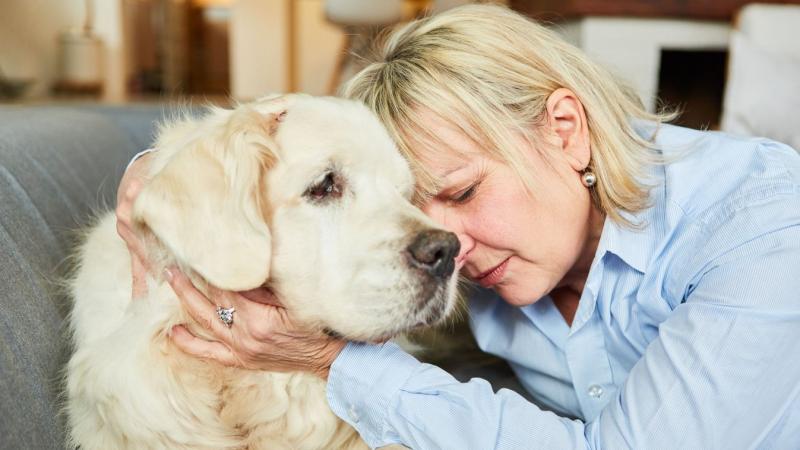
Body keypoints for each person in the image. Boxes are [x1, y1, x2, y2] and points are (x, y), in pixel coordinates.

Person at [117, 4, 800, 448]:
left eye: (465, 190)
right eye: (419, 206)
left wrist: (336, 362)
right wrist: (168, 169)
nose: (454, 249)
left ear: (565, 131)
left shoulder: (765, 226)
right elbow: (305, 168)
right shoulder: (506, 259)